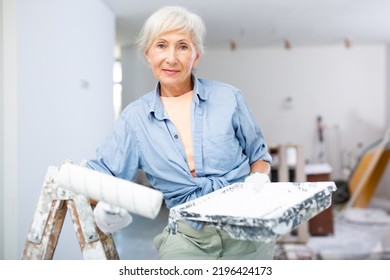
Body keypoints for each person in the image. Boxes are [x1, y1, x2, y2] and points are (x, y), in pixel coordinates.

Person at [87, 5, 275, 260]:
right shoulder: (135, 119)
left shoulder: (229, 98)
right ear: (148, 54)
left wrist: (258, 180)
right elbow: (100, 174)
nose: (172, 58)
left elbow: (259, 156)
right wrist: (103, 205)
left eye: (183, 46)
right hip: (187, 234)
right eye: (161, 45)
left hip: (246, 226)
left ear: (195, 56)